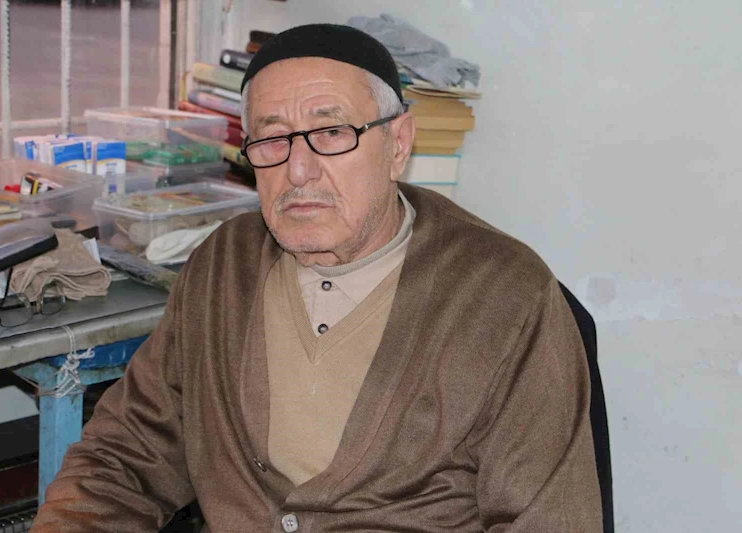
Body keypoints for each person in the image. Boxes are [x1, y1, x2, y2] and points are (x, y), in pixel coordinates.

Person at [30, 24, 602, 532]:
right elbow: (127, 456)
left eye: (331, 133)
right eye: (272, 139)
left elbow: (549, 520)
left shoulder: (504, 297)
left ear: (398, 144)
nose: (298, 170)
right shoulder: (223, 265)